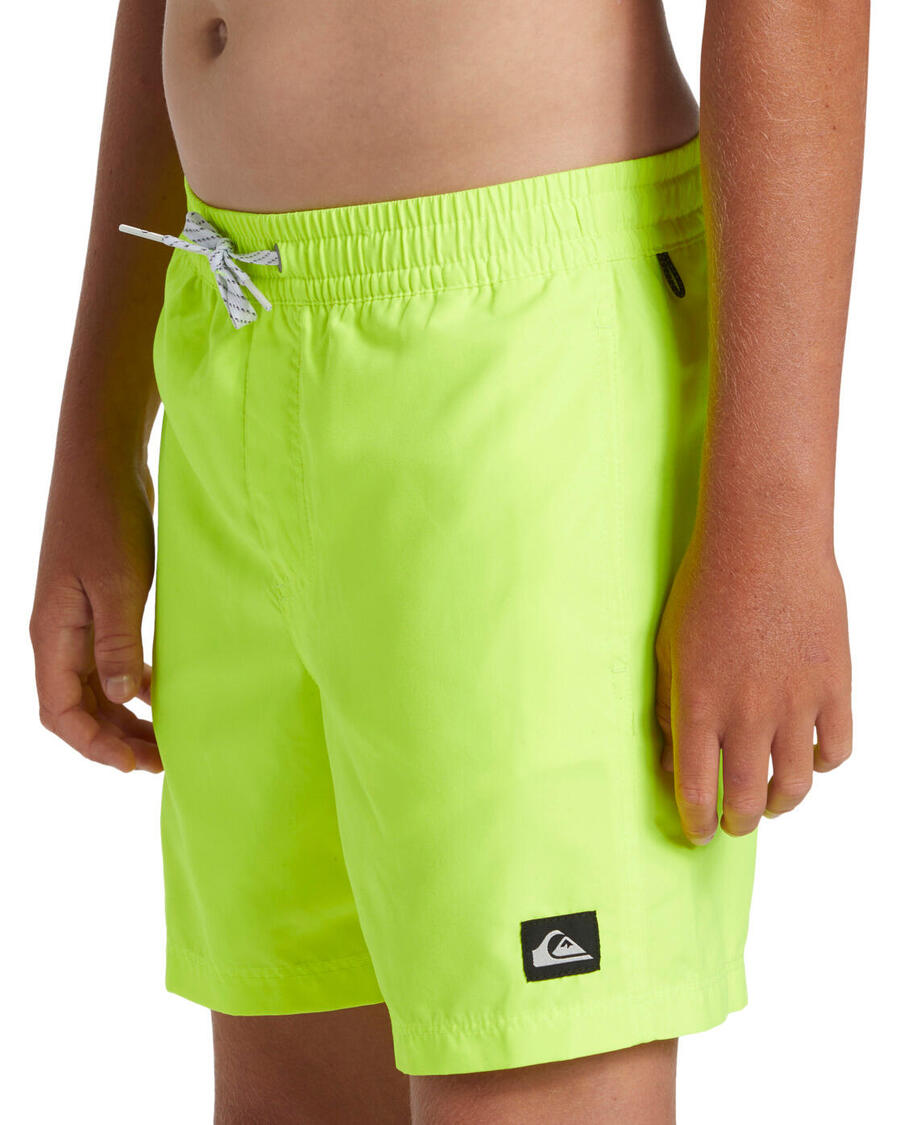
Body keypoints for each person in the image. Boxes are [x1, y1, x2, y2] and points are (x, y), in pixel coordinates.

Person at [29, 1, 867, 1122]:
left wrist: (776, 513)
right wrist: (96, 437)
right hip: (233, 319)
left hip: (518, 364)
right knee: (294, 1084)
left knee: (525, 1073)